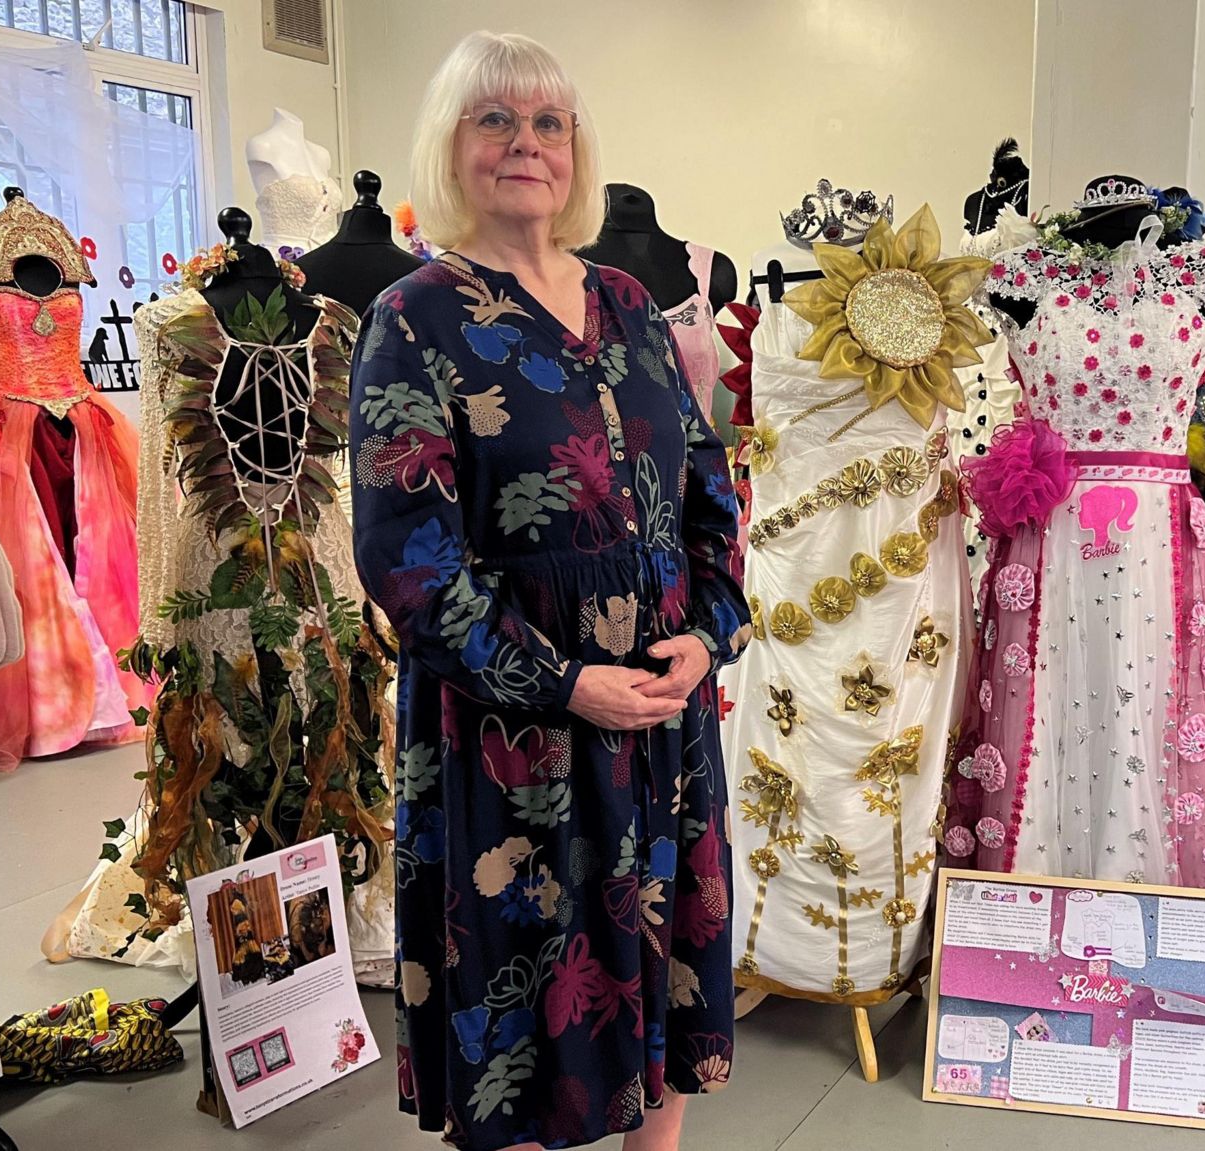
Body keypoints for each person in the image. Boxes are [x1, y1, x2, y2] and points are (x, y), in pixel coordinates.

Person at [351, 30, 748, 1151]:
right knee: (526, 994)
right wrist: (565, 683)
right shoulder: (414, 317)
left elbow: (706, 487)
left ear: (575, 149)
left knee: (657, 975)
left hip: (662, 718)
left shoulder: (630, 303)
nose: (525, 144)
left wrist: (709, 634)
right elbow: (407, 559)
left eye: (548, 123)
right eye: (495, 120)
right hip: (509, 732)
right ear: (453, 143)